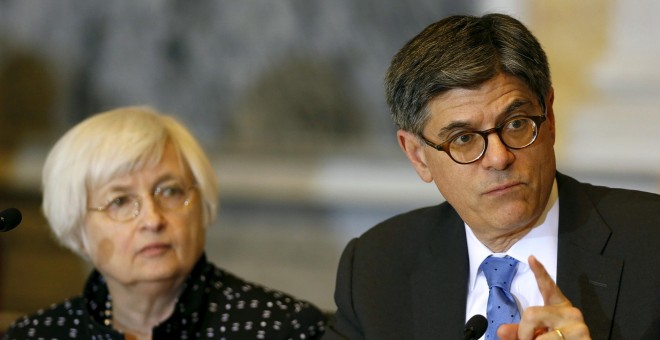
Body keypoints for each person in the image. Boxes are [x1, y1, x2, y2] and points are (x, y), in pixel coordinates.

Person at [324, 13, 660, 340]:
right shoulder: (377, 267)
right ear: (417, 155)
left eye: (516, 124)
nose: (499, 158)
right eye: (464, 139)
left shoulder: (650, 242)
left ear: (550, 116)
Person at [4, 106, 327, 339]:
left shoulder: (282, 329)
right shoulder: (35, 336)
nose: (152, 219)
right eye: (120, 201)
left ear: (202, 205)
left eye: (170, 191)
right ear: (77, 227)